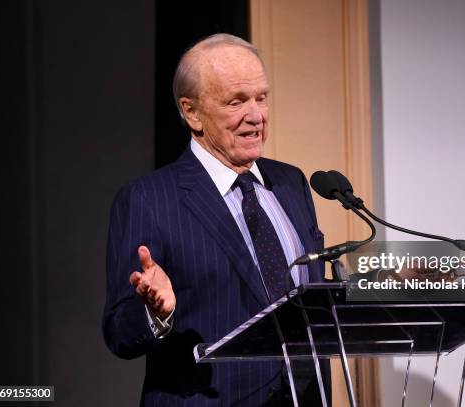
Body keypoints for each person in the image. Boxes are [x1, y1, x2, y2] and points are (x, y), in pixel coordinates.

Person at [102, 33, 329, 406]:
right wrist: (156, 313)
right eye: (236, 101)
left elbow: (309, 297)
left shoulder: (291, 183)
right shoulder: (149, 199)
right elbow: (118, 331)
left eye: (261, 97)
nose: (255, 115)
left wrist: (387, 283)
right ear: (191, 112)